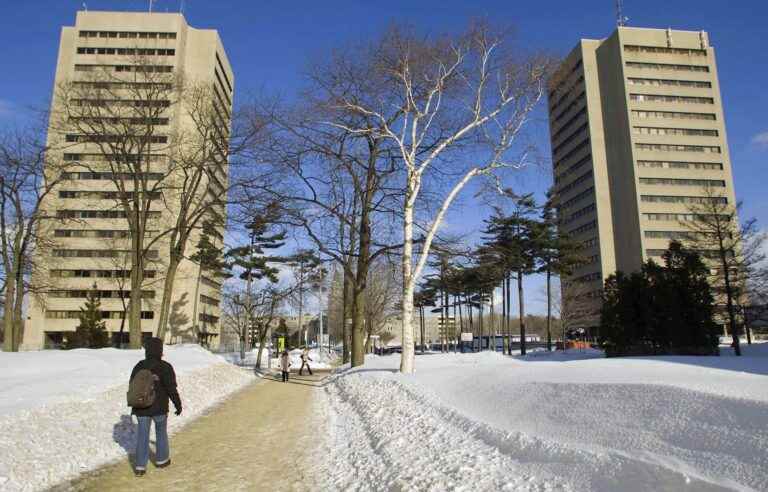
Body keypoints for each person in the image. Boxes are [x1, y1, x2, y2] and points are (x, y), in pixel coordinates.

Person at [128, 337, 182, 476]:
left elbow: (132, 387)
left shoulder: (139, 366)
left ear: (147, 350)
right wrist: (178, 404)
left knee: (142, 436)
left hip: (141, 407)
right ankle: (162, 460)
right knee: (161, 433)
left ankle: (140, 466)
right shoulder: (165, 367)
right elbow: (171, 388)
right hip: (160, 408)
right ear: (160, 350)